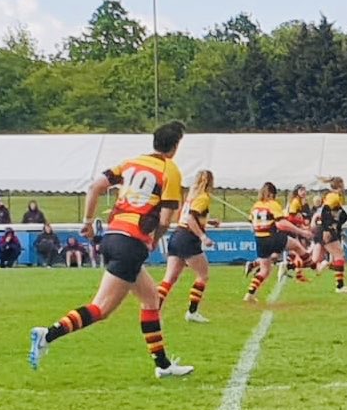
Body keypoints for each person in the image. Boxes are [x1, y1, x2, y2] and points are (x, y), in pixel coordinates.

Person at [28, 120, 194, 379]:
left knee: (150, 299)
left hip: (113, 234)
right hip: (131, 242)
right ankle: (47, 334)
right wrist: (152, 240)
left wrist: (87, 222)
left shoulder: (131, 163)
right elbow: (164, 219)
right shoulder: (169, 170)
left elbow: (95, 186)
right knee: (101, 308)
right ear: (175, 147)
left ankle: (163, 365)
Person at [158, 170, 219, 323]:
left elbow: (186, 217)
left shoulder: (190, 197)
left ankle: (153, 309)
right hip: (188, 238)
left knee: (169, 278)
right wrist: (203, 236)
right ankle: (192, 311)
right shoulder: (203, 197)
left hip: (177, 235)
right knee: (203, 275)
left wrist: (208, 222)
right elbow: (191, 218)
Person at [244, 182, 313, 302]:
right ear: (271, 194)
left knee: (265, 270)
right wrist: (301, 232)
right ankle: (312, 264)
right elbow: (281, 223)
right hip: (271, 236)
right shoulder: (273, 204)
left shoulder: (256, 205)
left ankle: (249, 295)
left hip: (259, 239)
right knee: (296, 245)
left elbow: (251, 221)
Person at [312, 176, 347, 293]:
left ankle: (340, 284)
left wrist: (337, 226)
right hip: (324, 229)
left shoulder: (336, 197)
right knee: (338, 254)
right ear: (340, 185)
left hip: (326, 228)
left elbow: (343, 215)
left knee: (337, 254)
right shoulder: (333, 196)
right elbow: (325, 210)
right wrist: (327, 229)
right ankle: (340, 286)